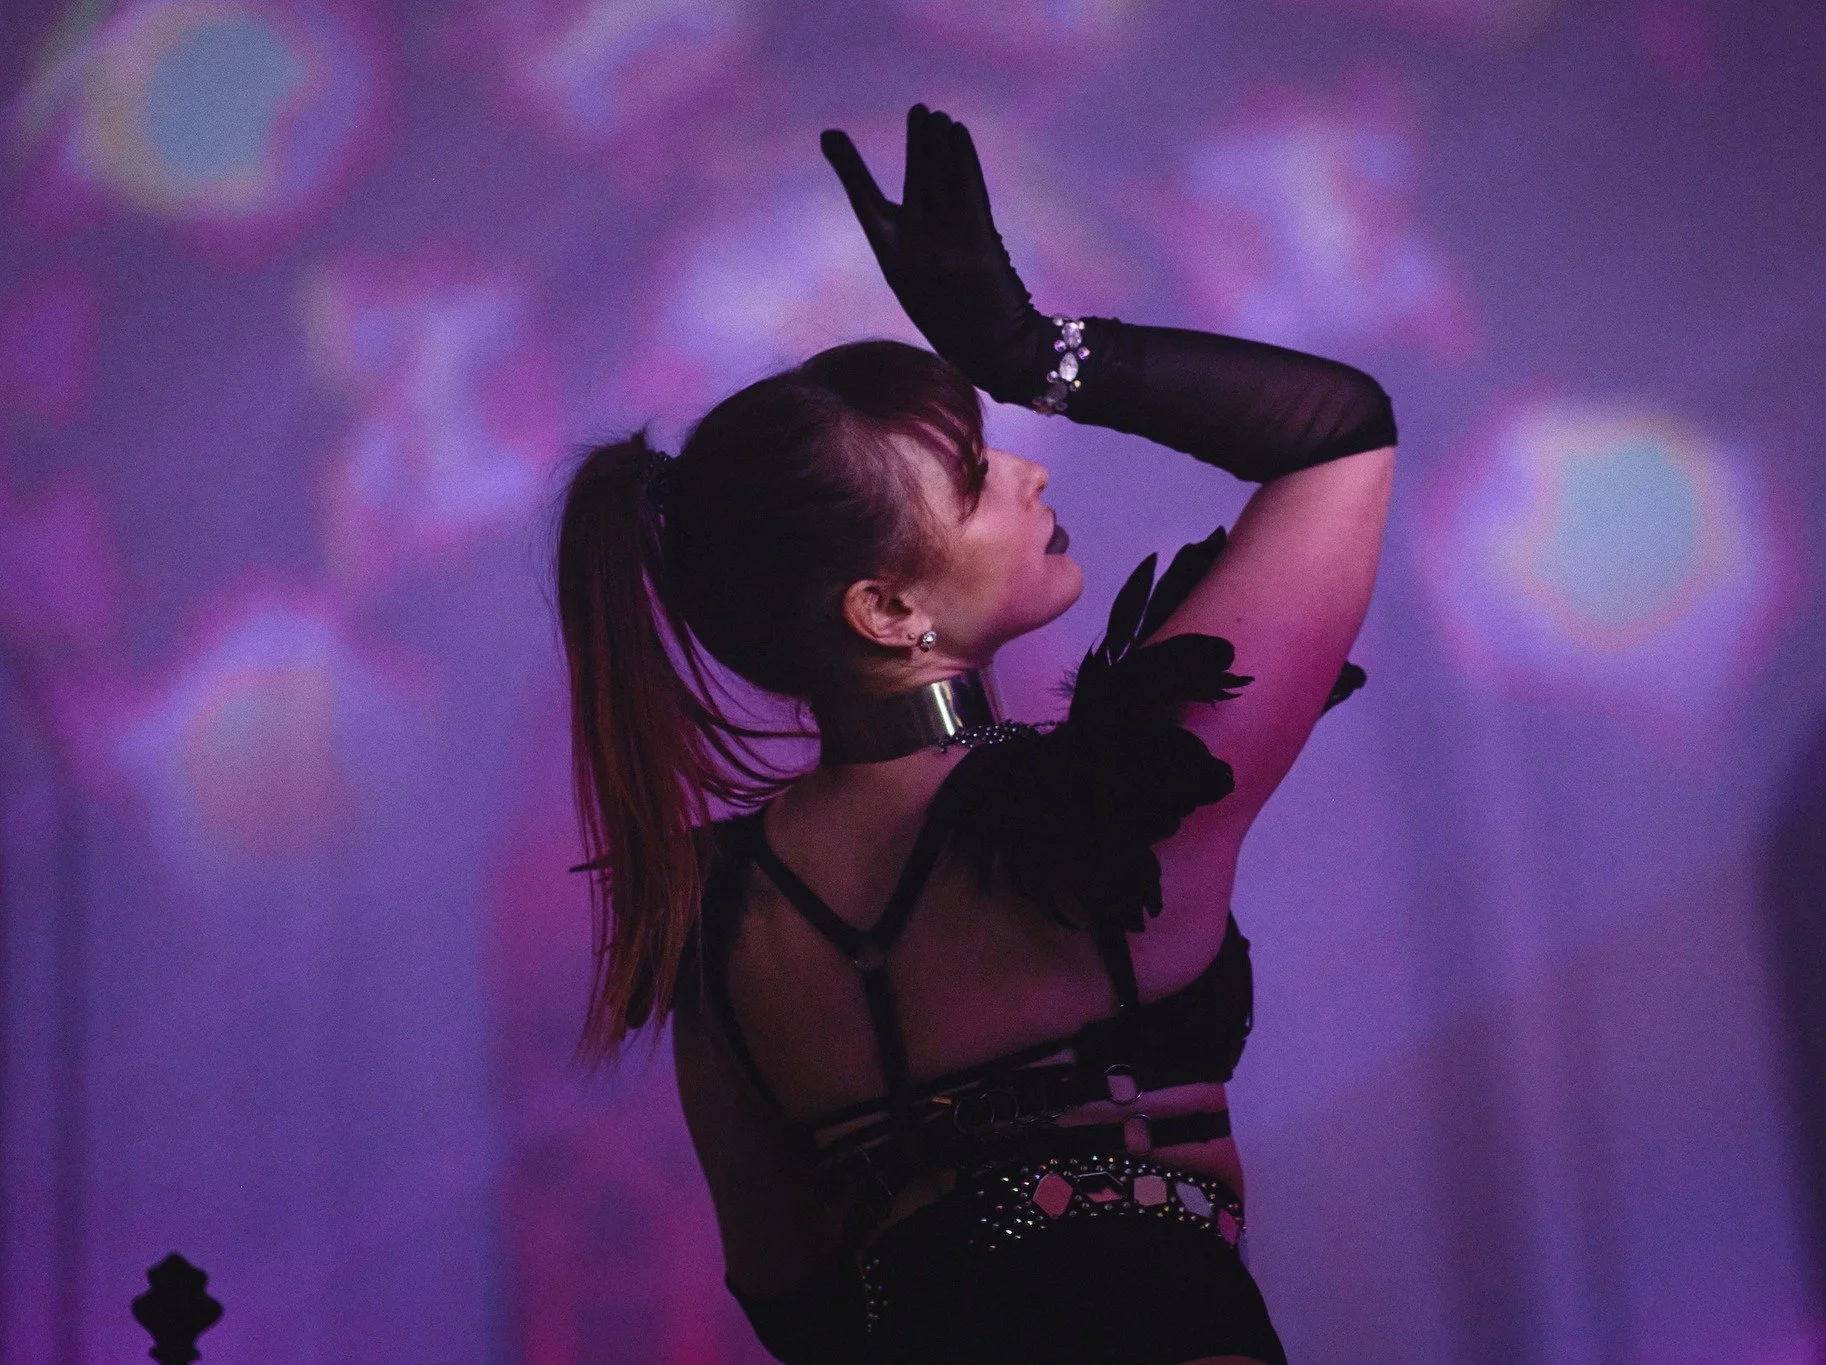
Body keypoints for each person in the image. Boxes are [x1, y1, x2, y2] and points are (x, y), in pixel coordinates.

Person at [554, 104, 1397, 1364]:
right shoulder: (1115, 806)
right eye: (973, 474)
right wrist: (1028, 348)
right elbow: (1338, 436)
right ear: (886, 611)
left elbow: (787, 1291)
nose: (1027, 473)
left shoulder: (718, 922)